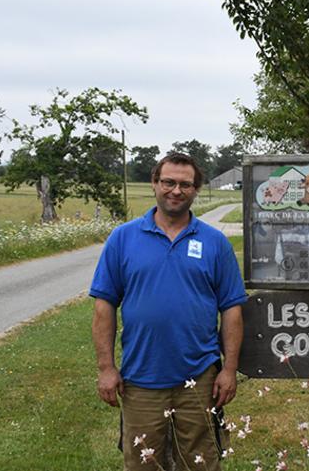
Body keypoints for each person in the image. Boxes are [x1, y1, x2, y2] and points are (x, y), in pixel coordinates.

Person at [90, 153, 246, 471]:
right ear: (154, 185)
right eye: (168, 182)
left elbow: (231, 309)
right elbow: (104, 305)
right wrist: (106, 368)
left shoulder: (215, 243)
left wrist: (229, 370)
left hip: (200, 379)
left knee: (200, 463)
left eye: (185, 184)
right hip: (140, 379)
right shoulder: (123, 238)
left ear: (196, 190)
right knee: (144, 463)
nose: (176, 190)